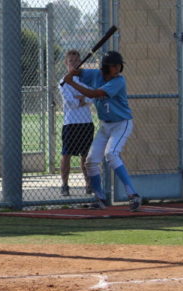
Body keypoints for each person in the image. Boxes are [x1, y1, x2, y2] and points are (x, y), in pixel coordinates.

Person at [62, 50, 141, 211]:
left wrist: (72, 82)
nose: (117, 68)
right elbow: (80, 72)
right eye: (114, 66)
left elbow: (94, 93)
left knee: (111, 153)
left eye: (119, 65)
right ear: (106, 67)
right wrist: (73, 72)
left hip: (121, 123)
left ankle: (133, 195)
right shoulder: (95, 75)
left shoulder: (119, 81)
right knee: (90, 161)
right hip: (105, 125)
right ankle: (100, 198)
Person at [57, 49, 95, 197]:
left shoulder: (86, 80)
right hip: (71, 124)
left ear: (80, 62)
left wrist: (83, 98)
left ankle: (88, 184)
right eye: (71, 61)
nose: (74, 63)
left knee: (85, 155)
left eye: (76, 61)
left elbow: (92, 98)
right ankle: (65, 185)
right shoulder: (64, 82)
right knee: (66, 155)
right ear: (66, 63)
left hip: (86, 122)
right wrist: (83, 97)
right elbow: (71, 103)